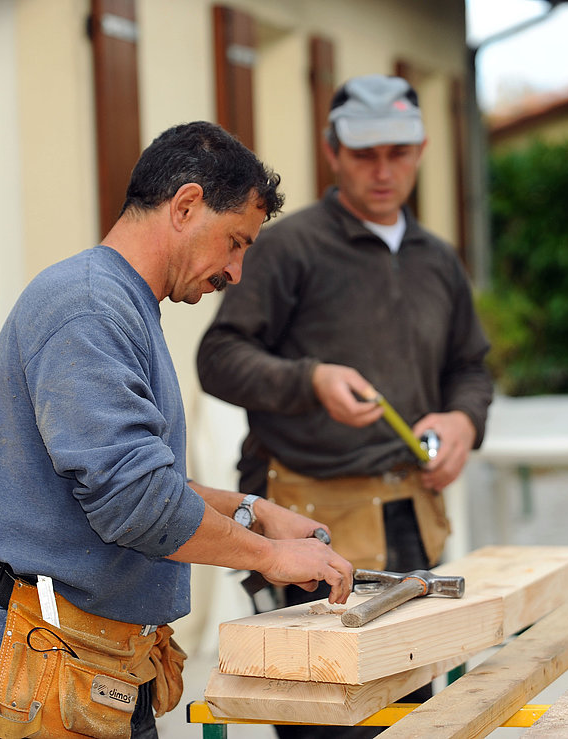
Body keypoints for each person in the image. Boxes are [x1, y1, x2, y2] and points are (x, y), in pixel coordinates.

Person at [0, 121, 354, 739]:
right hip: (42, 664)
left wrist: (252, 511)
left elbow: (139, 481)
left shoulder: (120, 304)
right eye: (236, 242)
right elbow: (135, 504)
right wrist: (269, 556)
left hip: (83, 659)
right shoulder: (88, 308)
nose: (237, 272)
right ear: (186, 205)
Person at [196, 76, 494, 737]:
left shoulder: (438, 259)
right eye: (364, 154)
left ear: (421, 150)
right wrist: (312, 380)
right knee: (326, 724)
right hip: (309, 527)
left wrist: (462, 420)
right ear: (332, 150)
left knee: (415, 715)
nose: (383, 170)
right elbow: (218, 357)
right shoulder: (286, 246)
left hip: (412, 517)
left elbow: (470, 367)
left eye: (398, 151)